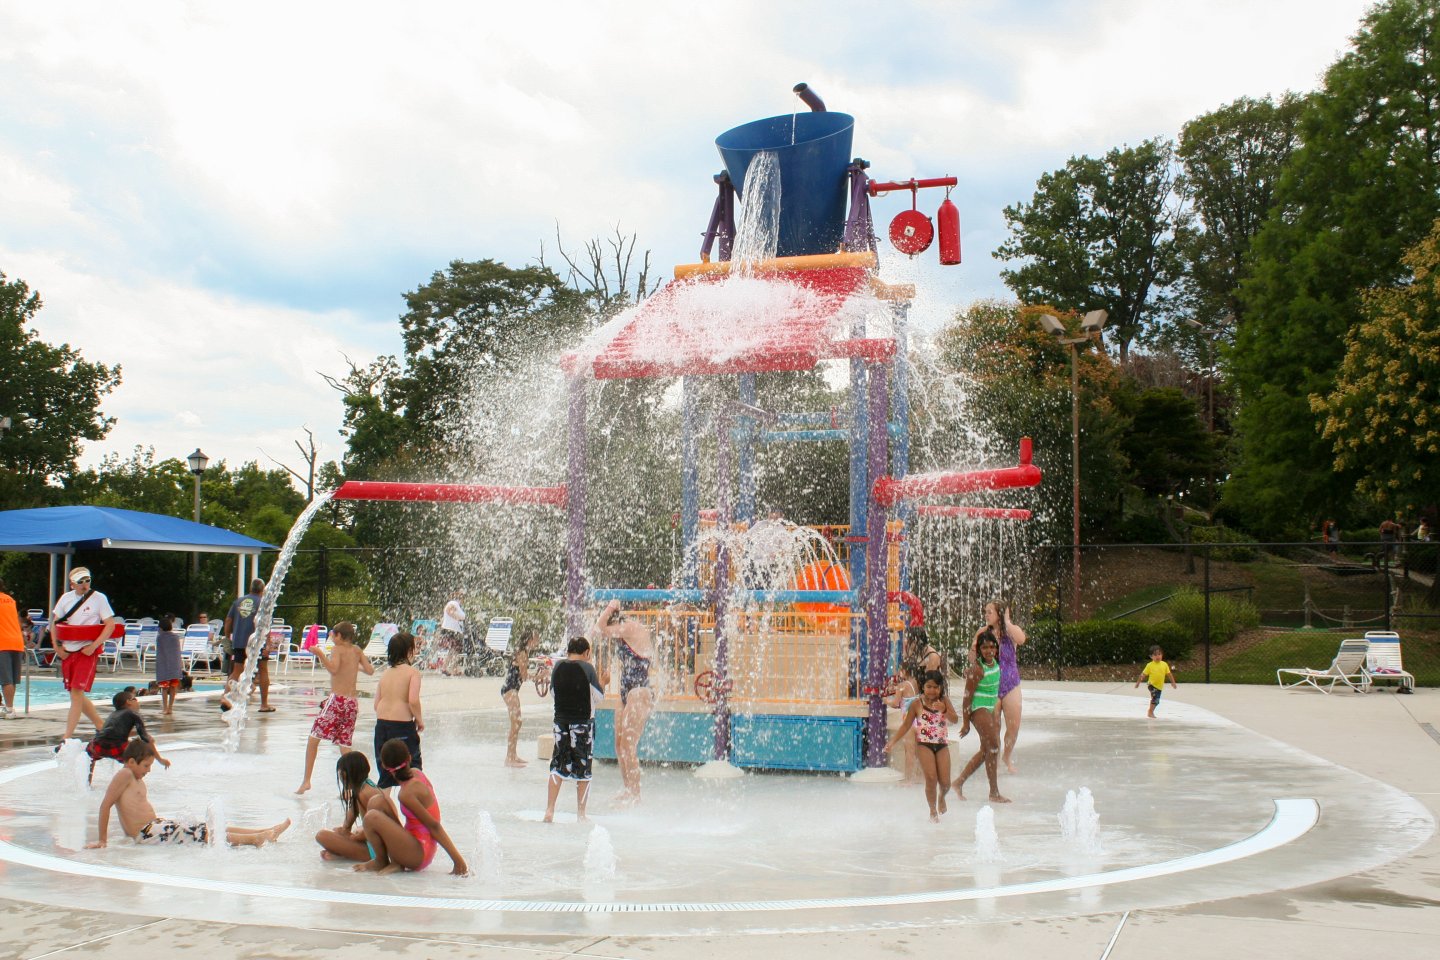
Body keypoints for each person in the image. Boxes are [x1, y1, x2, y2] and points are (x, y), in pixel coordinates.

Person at [86, 739, 289, 848]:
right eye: (146, 766)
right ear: (131, 762)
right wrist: (103, 839)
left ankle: (262, 830)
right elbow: (105, 805)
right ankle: (257, 839)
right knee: (202, 833)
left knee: (205, 827)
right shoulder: (125, 774)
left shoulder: (134, 776)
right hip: (147, 833)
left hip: (155, 827)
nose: (148, 770)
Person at [355, 738, 467, 875]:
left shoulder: (406, 794)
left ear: (384, 766)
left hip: (420, 852)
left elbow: (434, 826)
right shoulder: (417, 773)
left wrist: (458, 861)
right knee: (376, 801)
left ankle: (382, 861)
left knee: (371, 817)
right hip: (415, 841)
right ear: (409, 758)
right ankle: (392, 861)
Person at [297, 621, 374, 794]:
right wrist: (355, 667)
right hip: (352, 703)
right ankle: (352, 785)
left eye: (333, 635)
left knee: (313, 738)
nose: (332, 638)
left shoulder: (337, 649)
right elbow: (370, 670)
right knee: (344, 743)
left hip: (337, 700)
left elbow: (333, 669)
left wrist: (319, 654)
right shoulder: (357, 650)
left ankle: (306, 780)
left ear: (339, 636)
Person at [593, 599, 655, 804]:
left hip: (639, 689)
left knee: (629, 744)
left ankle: (636, 794)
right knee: (619, 744)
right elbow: (598, 630)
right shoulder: (620, 631)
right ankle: (628, 789)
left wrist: (611, 605)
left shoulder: (630, 627)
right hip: (625, 689)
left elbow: (600, 627)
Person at [50, 567, 118, 741]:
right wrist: (58, 648)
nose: (84, 585)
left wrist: (94, 646)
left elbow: (109, 625)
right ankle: (101, 726)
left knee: (76, 692)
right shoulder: (66, 599)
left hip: (86, 651)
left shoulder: (99, 598)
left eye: (87, 580)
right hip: (69, 650)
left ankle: (67, 736)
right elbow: (55, 624)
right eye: (80, 581)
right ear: (72, 584)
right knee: (76, 693)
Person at [885, 670, 959, 822]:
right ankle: (932, 810)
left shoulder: (944, 701)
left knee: (945, 783)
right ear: (923, 687)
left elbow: (955, 719)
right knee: (931, 778)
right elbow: (906, 726)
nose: (932, 690)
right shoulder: (916, 704)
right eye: (929, 686)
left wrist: (943, 710)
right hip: (924, 744)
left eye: (936, 687)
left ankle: (941, 797)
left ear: (941, 688)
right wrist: (893, 742)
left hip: (941, 744)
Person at [544, 636, 604, 823]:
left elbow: (553, 693)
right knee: (583, 769)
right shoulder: (588, 668)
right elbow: (599, 697)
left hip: (560, 723)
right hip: (583, 724)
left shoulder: (558, 667)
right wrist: (604, 682)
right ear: (586, 652)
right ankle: (581, 813)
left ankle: (550, 809)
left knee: (557, 765)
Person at [970, 600, 1028, 774]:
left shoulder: (1010, 631)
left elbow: (1022, 639)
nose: (986, 615)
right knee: (994, 727)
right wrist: (974, 653)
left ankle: (1007, 756)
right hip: (990, 684)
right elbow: (971, 657)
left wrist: (1007, 621)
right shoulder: (982, 632)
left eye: (990, 612)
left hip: (1010, 682)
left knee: (1014, 725)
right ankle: (994, 759)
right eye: (985, 612)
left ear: (999, 614)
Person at [952, 633, 1010, 804]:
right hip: (978, 708)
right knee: (993, 746)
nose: (989, 651)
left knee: (988, 749)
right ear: (979, 650)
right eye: (984, 648)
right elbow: (967, 697)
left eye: (992, 647)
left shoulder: (996, 664)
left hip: (990, 708)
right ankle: (993, 793)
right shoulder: (977, 669)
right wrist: (965, 722)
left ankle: (959, 782)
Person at [85, 686, 169, 784]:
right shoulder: (134, 714)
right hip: (117, 747)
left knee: (89, 755)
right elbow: (145, 739)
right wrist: (160, 759)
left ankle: (87, 782)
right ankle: (131, 782)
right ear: (129, 702)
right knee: (135, 757)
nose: (138, 702)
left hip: (98, 746)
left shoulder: (113, 715)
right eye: (135, 699)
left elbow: (115, 732)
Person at [314, 751, 388, 861]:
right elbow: (348, 823)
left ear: (346, 774)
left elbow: (380, 830)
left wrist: (354, 837)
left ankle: (344, 855)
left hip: (378, 852)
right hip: (377, 845)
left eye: (340, 774)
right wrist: (345, 833)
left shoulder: (365, 793)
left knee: (321, 835)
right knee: (336, 832)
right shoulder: (363, 787)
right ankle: (343, 853)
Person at [373, 631, 424, 789]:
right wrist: (419, 720)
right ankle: (414, 805)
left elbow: (376, 704)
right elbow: (413, 700)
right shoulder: (413, 673)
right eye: (415, 648)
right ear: (408, 651)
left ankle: (383, 809)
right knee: (412, 770)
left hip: (382, 726)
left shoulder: (386, 673)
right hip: (402, 727)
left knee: (386, 771)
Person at [224, 578, 273, 712]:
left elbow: (228, 620)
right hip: (257, 642)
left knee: (236, 670)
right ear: (262, 590)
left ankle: (225, 697)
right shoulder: (263, 603)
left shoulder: (238, 602)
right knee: (263, 670)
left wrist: (227, 637)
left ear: (250, 588)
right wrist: (268, 645)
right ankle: (264, 705)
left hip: (239, 641)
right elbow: (266, 626)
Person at [501, 627, 542, 767]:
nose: (538, 641)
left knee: (517, 723)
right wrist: (538, 677)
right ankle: (509, 758)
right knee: (515, 723)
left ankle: (513, 755)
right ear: (530, 639)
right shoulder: (522, 653)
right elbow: (524, 677)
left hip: (512, 690)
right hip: (510, 690)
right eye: (536, 638)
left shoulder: (524, 652)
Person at [886, 668, 921, 782]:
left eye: (900, 670)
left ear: (905, 671)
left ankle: (908, 780)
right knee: (917, 752)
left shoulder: (902, 685)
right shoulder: (916, 682)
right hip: (919, 721)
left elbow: (895, 704)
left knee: (909, 753)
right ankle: (917, 777)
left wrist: (884, 700)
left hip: (909, 722)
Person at [0, 577, 25, 720]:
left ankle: (9, 710)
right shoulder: (10, 600)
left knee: (6, 679)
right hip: (16, 641)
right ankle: (6, 706)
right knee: (11, 679)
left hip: (2, 642)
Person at [1135, 645, 1178, 719]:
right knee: (1155, 699)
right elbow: (1143, 675)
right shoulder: (1149, 665)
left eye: (1159, 654)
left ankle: (1150, 711)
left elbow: (1169, 674)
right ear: (1151, 656)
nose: (1157, 656)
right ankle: (1150, 712)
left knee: (1156, 701)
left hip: (1159, 686)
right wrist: (1138, 683)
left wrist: (1173, 683)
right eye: (1155, 655)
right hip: (1151, 685)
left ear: (1162, 655)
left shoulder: (1164, 665)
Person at [152, 614, 183, 716]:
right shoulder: (175, 637)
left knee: (164, 689)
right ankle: (170, 708)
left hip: (163, 666)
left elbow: (160, 652)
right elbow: (177, 652)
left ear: (160, 628)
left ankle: (165, 708)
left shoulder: (160, 638)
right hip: (175, 666)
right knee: (173, 687)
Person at [438, 590, 466, 675]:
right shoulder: (453, 603)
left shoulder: (456, 604)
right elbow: (449, 611)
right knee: (454, 650)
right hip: (451, 631)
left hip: (451, 630)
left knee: (454, 650)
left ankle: (451, 669)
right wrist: (458, 618)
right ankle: (447, 668)